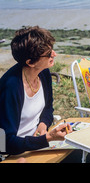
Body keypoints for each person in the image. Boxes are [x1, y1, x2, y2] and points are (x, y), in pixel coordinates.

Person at [0, 26, 71, 156]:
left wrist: (43, 125)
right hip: (13, 153)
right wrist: (47, 138)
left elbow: (48, 108)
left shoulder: (43, 73)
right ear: (31, 62)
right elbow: (5, 143)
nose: (54, 54)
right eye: (49, 54)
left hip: (36, 146)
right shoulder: (10, 87)